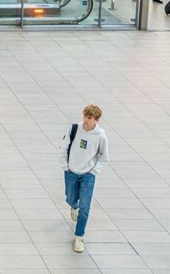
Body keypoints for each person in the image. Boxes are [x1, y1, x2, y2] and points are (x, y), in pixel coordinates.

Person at [59, 105, 110, 254]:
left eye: (89, 118)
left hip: (88, 175)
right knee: (70, 198)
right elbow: (64, 147)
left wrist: (93, 171)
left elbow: (104, 157)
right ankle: (74, 206)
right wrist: (65, 166)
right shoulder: (74, 128)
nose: (86, 121)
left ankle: (79, 237)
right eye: (85, 117)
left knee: (85, 208)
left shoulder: (100, 136)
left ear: (96, 120)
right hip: (71, 171)